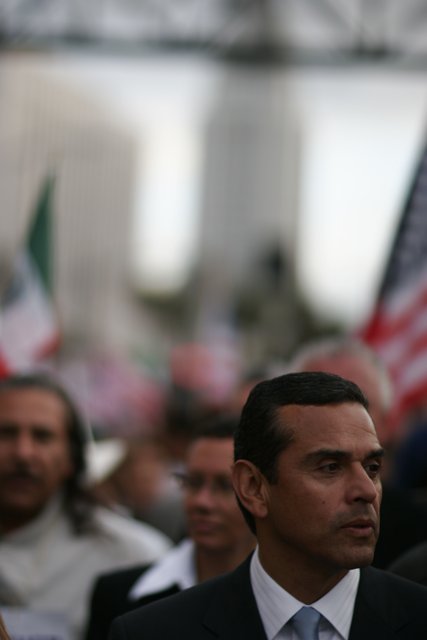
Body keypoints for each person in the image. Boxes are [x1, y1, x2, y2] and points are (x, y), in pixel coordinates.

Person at [109, 372, 427, 640]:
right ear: (253, 487)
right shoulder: (152, 633)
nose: (365, 491)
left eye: (372, 468)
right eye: (330, 466)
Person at [0, 373, 171, 640]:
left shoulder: (132, 554)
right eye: (6, 433)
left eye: (42, 436)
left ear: (71, 457)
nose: (23, 453)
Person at [85, 414, 255, 640]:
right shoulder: (119, 594)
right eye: (192, 482)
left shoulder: (288, 595)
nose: (201, 502)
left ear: (257, 491)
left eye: (224, 486)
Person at [289, 335, 427, 569]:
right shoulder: (253, 521)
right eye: (321, 403)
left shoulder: (418, 535)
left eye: (359, 404)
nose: (341, 421)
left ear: (388, 422)